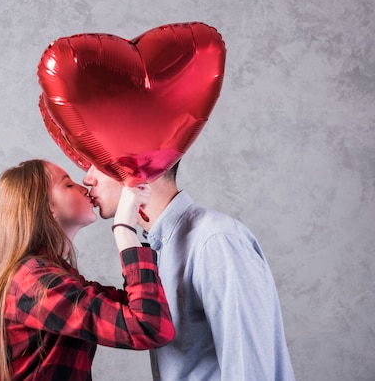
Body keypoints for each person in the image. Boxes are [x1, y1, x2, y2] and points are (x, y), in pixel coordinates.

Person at [0, 159, 174, 381]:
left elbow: (140, 307)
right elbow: (149, 326)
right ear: (47, 208)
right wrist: (124, 229)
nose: (84, 185)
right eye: (68, 184)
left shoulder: (51, 277)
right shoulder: (35, 284)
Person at [83, 160, 295, 380]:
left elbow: (252, 371)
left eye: (97, 163)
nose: (87, 179)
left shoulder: (214, 241)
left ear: (139, 168)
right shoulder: (161, 248)